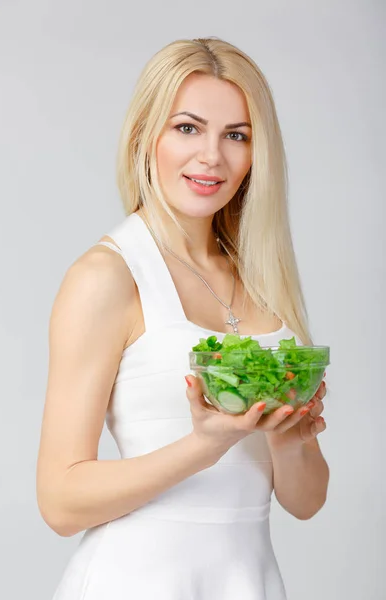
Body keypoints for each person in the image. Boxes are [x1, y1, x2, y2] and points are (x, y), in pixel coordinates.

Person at [36, 36, 329, 600]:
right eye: (188, 128)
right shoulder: (107, 276)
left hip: (249, 582)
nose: (212, 157)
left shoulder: (265, 279)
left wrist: (290, 439)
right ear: (146, 135)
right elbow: (60, 500)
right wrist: (205, 443)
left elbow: (306, 501)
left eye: (236, 135)